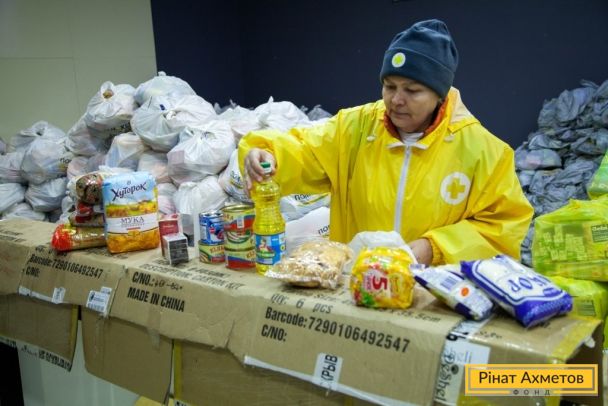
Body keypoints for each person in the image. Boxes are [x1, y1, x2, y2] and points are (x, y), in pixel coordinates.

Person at [239, 19, 533, 266]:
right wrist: (268, 153)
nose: (396, 100)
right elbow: (305, 150)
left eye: (412, 90)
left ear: (440, 95)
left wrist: (433, 248)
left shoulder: (483, 152)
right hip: (359, 286)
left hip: (434, 295)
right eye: (389, 86)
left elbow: (502, 227)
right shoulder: (354, 129)